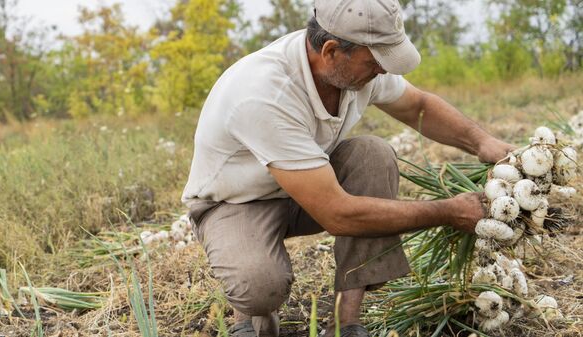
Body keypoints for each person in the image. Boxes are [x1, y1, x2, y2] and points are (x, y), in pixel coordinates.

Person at [182, 0, 514, 336]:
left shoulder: (354, 68)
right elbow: (338, 214)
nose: (383, 70)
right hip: (236, 201)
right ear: (330, 51)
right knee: (260, 285)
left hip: (307, 187)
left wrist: (484, 143)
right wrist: (447, 212)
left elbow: (419, 106)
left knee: (373, 154)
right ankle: (249, 319)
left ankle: (345, 323)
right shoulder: (263, 94)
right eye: (375, 62)